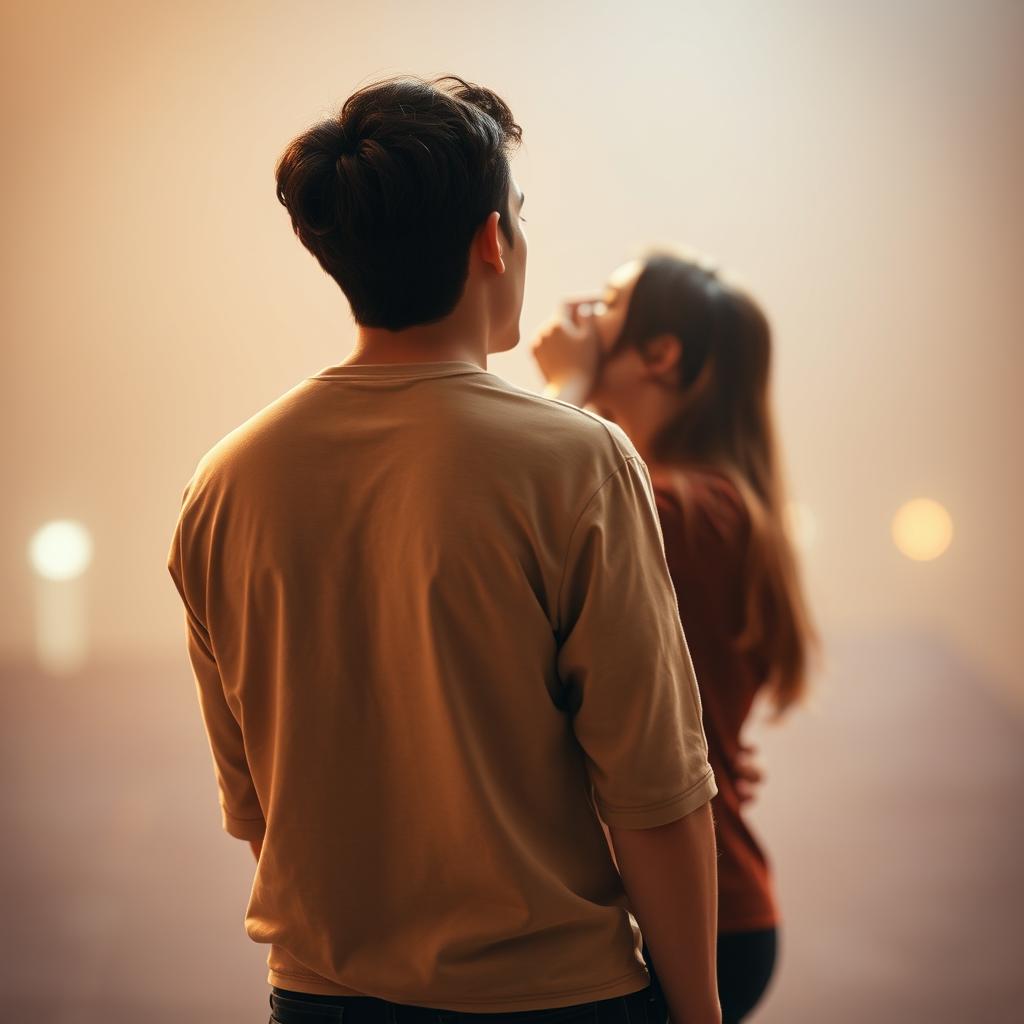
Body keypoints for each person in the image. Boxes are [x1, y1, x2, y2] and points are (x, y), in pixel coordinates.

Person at [167, 76, 723, 1024]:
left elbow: (260, 808)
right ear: (493, 241)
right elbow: (655, 792)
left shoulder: (224, 484)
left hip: (320, 998)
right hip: (556, 998)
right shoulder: (577, 462)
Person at [531, 252, 817, 1023]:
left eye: (611, 300)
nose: (580, 310)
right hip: (705, 903)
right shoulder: (710, 506)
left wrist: (568, 387)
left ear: (661, 354)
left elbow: (528, 502)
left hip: (684, 914)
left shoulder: (679, 512)